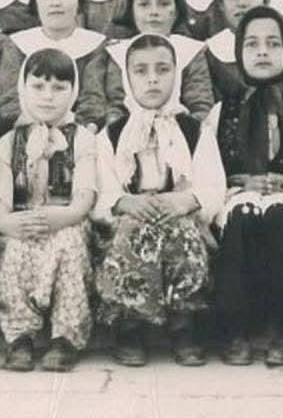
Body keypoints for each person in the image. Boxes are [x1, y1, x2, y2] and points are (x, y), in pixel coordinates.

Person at [94, 34, 226, 366]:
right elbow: (100, 191)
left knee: (180, 228)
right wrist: (125, 203)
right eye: (140, 71)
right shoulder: (111, 135)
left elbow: (213, 187)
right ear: (127, 78)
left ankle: (184, 324)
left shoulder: (196, 131)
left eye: (162, 69)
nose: (152, 78)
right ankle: (130, 326)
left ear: (176, 74)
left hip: (179, 214)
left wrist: (185, 201)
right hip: (129, 217)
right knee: (132, 229)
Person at [208, 6, 283, 366]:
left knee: (278, 215)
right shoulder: (222, 111)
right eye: (253, 44)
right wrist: (241, 184)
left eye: (273, 44)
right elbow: (211, 172)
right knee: (242, 214)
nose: (263, 52)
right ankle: (235, 328)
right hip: (237, 196)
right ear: (239, 53)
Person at [0, 49, 96, 372]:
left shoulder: (82, 138)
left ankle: (65, 337)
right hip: (22, 218)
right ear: (24, 89)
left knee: (68, 246)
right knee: (15, 249)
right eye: (38, 86)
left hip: (67, 218)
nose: (48, 97)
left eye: (59, 88)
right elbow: (0, 199)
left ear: (73, 92)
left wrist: (61, 216)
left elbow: (84, 196)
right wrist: (6, 222)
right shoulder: (9, 141)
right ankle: (19, 336)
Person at [79, 0, 215, 130]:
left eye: (164, 3)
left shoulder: (190, 50)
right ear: (132, 10)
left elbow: (200, 105)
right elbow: (103, 104)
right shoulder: (116, 51)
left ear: (176, 10)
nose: (154, 12)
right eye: (144, 4)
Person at [0, 0, 107, 130]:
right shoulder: (18, 44)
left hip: (81, 135)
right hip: (26, 131)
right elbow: (9, 102)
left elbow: (94, 100)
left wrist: (77, 135)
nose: (55, 2)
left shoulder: (95, 45)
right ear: (35, 0)